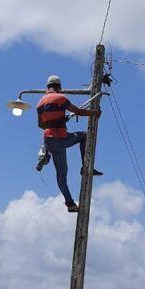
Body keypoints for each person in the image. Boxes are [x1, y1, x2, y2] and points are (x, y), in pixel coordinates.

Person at [36, 75, 102, 213]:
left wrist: (59, 120)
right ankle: (85, 167)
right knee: (84, 136)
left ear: (48, 87)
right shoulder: (61, 98)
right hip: (61, 137)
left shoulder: (40, 103)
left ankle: (70, 204)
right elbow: (78, 111)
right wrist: (94, 112)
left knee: (61, 176)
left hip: (49, 139)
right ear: (58, 86)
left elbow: (41, 125)